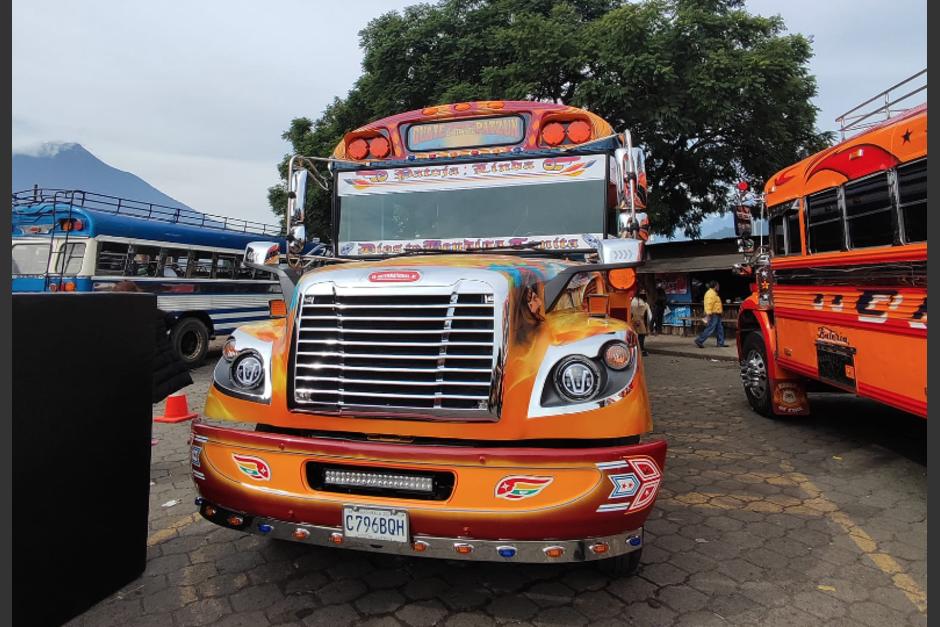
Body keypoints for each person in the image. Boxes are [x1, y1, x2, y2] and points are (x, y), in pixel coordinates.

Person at [111, 280, 193, 403]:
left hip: (148, 371)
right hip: (160, 369)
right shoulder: (151, 310)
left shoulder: (124, 317)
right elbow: (171, 320)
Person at [695, 280, 727, 348]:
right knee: (710, 328)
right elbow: (708, 304)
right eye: (718, 285)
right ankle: (699, 340)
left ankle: (720, 343)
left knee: (720, 329)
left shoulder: (714, 293)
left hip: (717, 313)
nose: (719, 287)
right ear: (715, 286)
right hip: (713, 314)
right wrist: (708, 314)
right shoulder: (710, 293)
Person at [631, 290, 652, 356]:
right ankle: (641, 350)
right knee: (642, 335)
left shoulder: (632, 301)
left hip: (633, 320)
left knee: (634, 335)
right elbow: (649, 316)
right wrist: (649, 325)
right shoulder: (645, 304)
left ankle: (634, 349)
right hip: (641, 321)